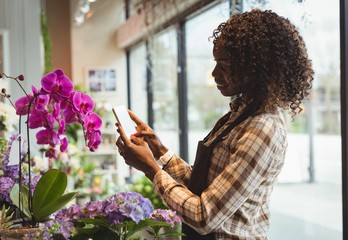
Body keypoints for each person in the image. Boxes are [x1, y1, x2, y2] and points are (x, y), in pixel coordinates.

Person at [115, 8, 314, 240]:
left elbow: (204, 215)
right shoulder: (239, 115)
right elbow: (205, 188)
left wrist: (151, 169)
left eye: (225, 65)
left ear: (256, 67)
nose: (215, 73)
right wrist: (159, 152)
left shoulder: (263, 128)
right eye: (216, 63)